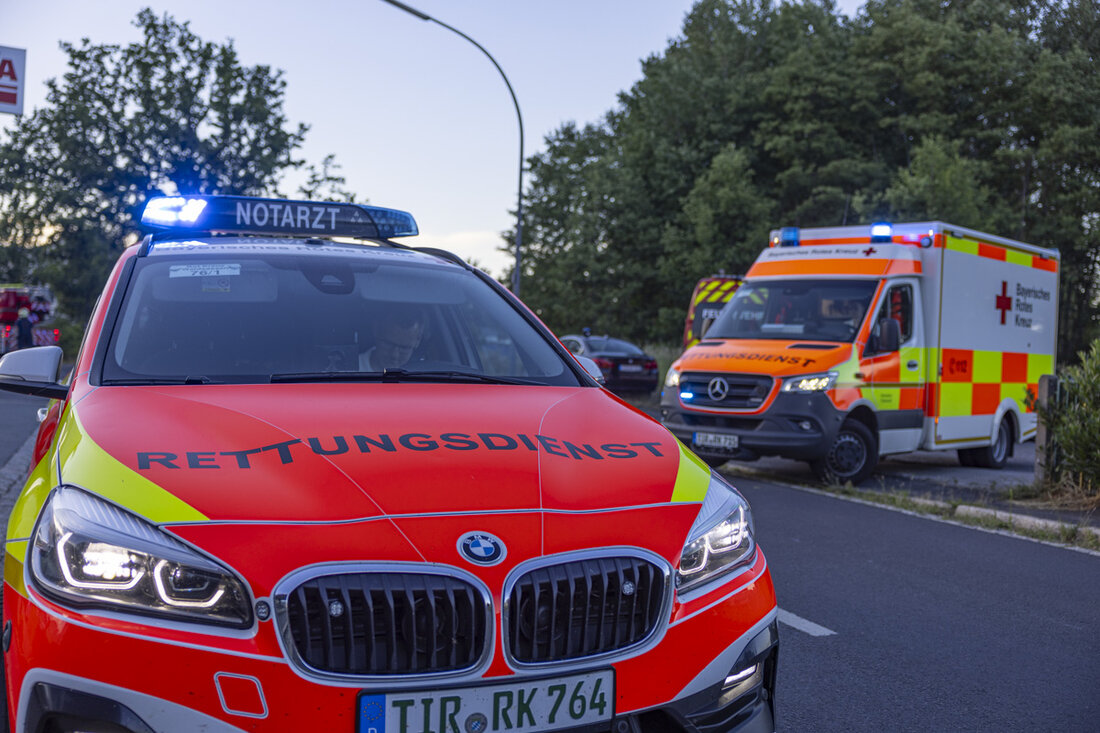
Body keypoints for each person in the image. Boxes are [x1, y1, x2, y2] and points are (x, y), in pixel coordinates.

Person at [359, 309, 424, 371]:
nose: (394, 355)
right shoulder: (351, 370)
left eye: (404, 348)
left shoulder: (425, 375)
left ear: (418, 341)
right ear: (376, 331)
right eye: (388, 344)